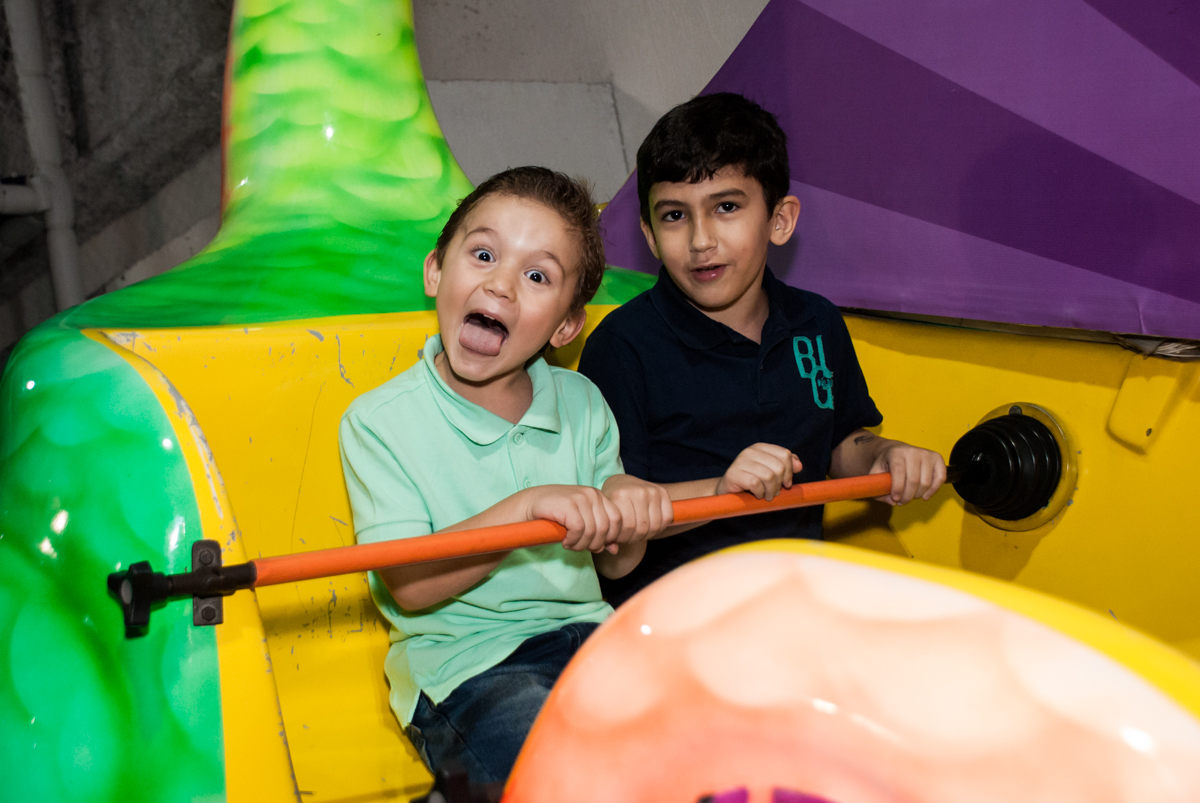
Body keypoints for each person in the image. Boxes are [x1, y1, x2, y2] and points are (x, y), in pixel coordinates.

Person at [339, 167, 673, 785]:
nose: (501, 285)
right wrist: (525, 511)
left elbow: (616, 566)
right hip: (471, 670)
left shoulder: (581, 402)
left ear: (566, 326)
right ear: (436, 270)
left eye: (538, 275)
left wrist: (627, 514)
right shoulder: (380, 422)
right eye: (485, 254)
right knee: (558, 776)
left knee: (717, 745)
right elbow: (409, 585)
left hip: (599, 642)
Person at [578, 93, 947, 607]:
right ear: (649, 233)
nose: (701, 239)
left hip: (795, 598)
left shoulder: (817, 321)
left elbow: (838, 439)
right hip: (669, 615)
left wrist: (886, 456)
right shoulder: (622, 346)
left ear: (780, 219)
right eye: (674, 216)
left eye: (726, 207)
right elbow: (617, 518)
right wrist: (724, 490)